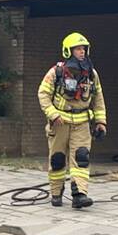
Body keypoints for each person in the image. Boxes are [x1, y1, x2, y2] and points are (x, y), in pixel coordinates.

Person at [37, 32, 107, 208]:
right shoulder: (56, 72)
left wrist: (100, 122)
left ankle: (79, 194)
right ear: (68, 51)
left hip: (82, 123)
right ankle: (56, 193)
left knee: (81, 157)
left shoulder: (92, 74)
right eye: (78, 49)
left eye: (84, 49)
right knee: (57, 159)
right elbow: (43, 94)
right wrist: (53, 114)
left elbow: (98, 98)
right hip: (59, 123)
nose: (82, 52)